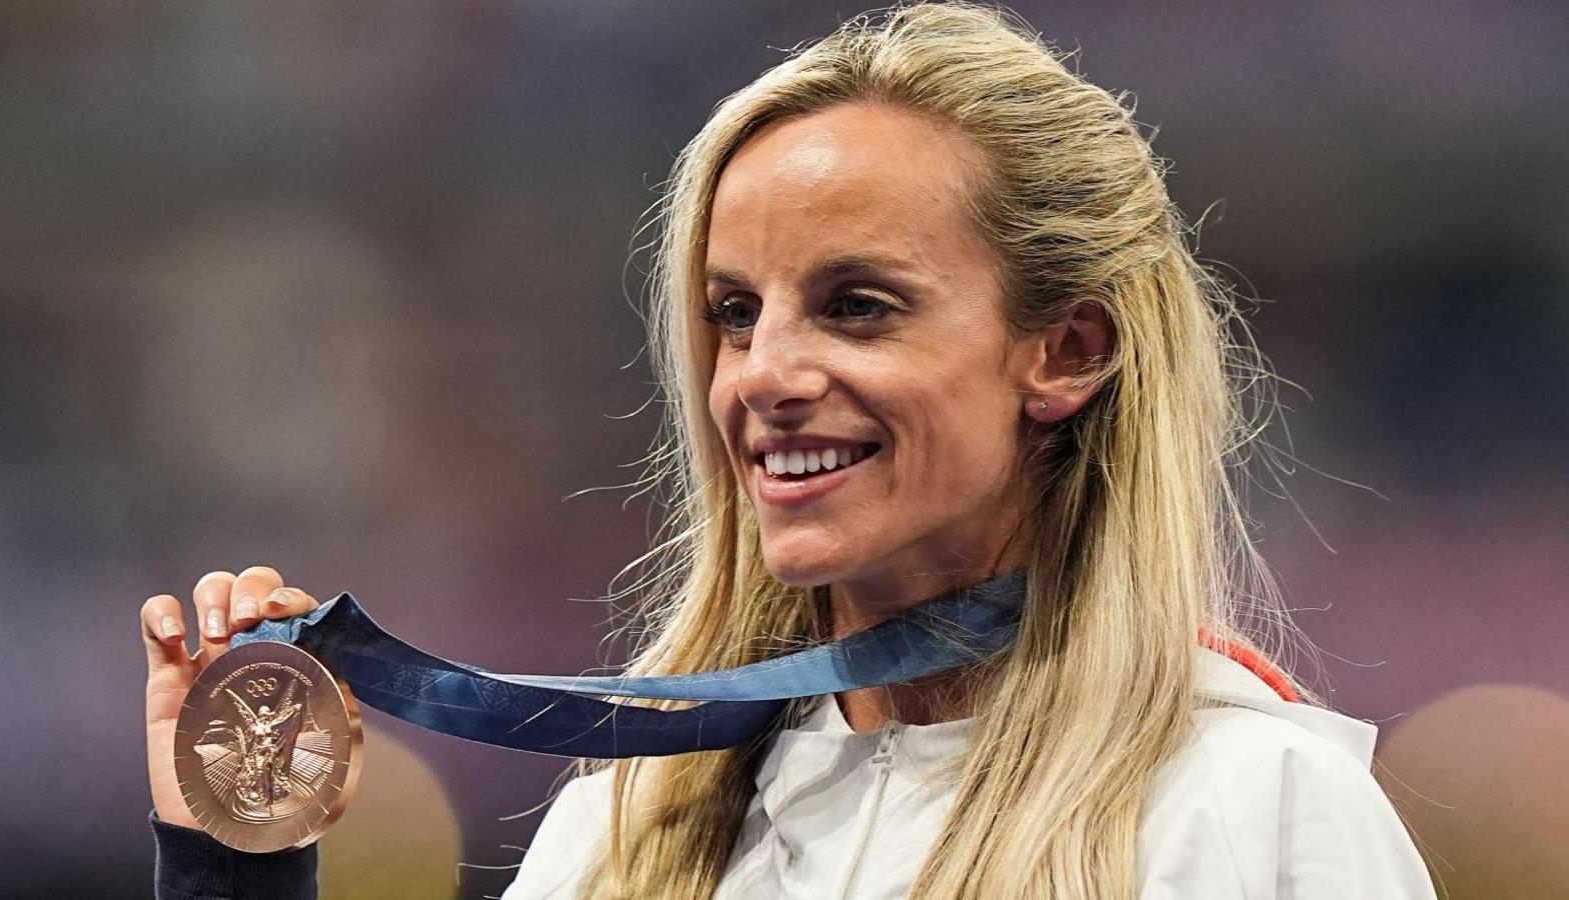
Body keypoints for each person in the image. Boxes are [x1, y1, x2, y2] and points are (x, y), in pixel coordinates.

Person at [139, 2, 1439, 897]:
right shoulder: (631, 838)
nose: (764, 377)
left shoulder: (1254, 813)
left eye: (858, 306)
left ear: (1069, 350)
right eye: (734, 315)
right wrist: (226, 865)